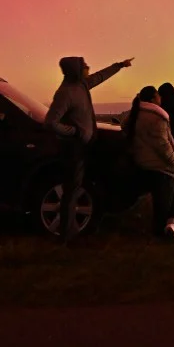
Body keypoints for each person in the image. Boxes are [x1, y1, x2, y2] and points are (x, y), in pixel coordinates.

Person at [44, 55, 133, 242]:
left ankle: (84, 226)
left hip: (86, 146)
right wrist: (74, 132)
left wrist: (119, 65)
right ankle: (66, 235)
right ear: (76, 70)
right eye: (84, 66)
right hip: (74, 149)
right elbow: (51, 122)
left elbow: (100, 76)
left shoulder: (82, 85)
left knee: (85, 185)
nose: (88, 67)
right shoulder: (66, 92)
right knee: (71, 190)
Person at [125, 85, 174, 242]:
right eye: (158, 96)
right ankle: (165, 230)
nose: (161, 98)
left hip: (142, 163)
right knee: (164, 201)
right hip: (159, 167)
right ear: (152, 99)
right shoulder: (157, 117)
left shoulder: (135, 113)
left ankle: (168, 226)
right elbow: (163, 145)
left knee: (163, 198)